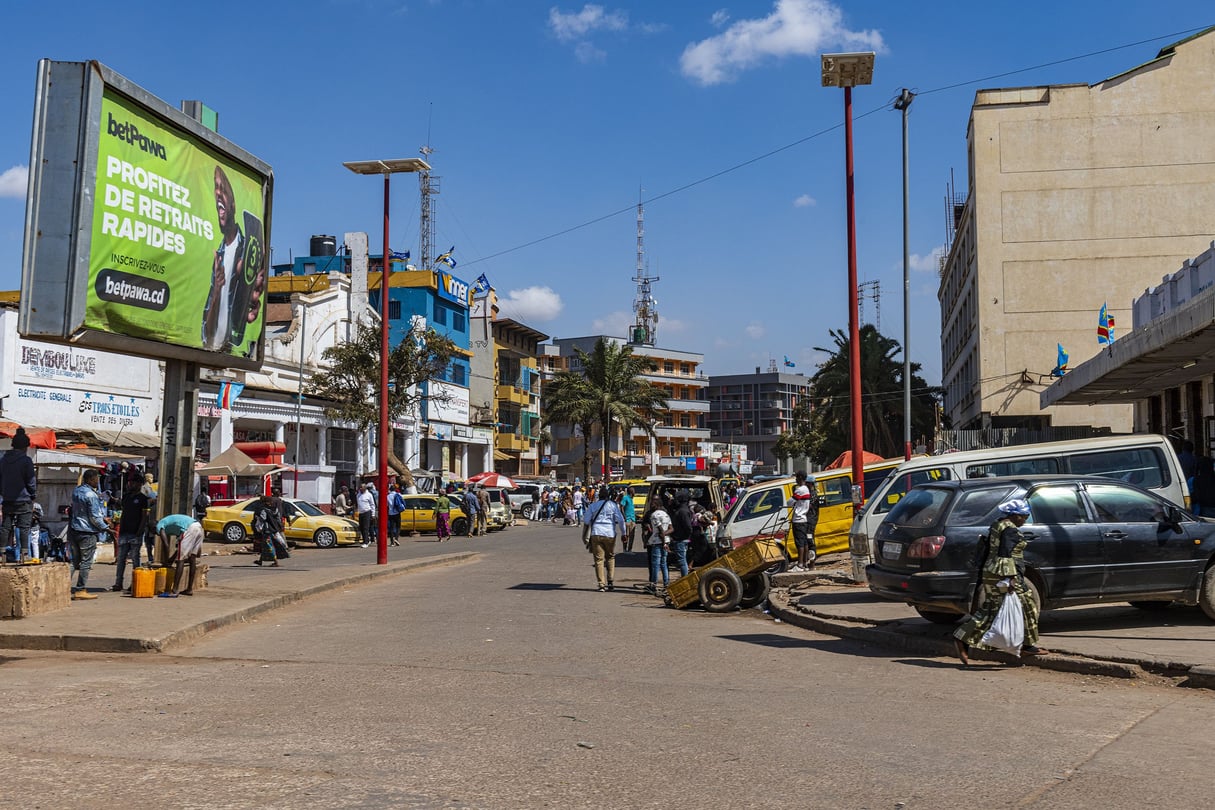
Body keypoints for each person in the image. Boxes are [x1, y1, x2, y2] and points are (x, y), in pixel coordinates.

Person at [953, 498, 1050, 665]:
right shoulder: (1010, 530)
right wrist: (1011, 578)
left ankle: (963, 638)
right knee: (1028, 605)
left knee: (992, 609)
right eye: (1023, 516)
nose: (1025, 520)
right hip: (1004, 574)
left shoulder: (997, 525)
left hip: (991, 572)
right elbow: (1005, 554)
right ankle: (1027, 645)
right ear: (1014, 515)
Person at [68, 468, 109, 600]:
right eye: (96, 479)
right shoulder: (91, 495)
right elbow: (94, 517)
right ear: (91, 480)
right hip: (87, 532)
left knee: (74, 561)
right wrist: (106, 528)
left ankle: (62, 586)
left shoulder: (76, 491)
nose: (97, 482)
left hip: (74, 529)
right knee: (86, 562)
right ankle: (80, 589)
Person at [0, 426, 37, 563]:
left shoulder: (3, 460)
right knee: (24, 528)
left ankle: (2, 554)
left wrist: (3, 493)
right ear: (25, 447)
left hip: (7, 499)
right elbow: (31, 481)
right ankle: (24, 555)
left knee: (5, 527)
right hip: (24, 500)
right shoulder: (26, 461)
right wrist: (33, 495)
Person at [582, 485, 626, 592]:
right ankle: (610, 581)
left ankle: (601, 584)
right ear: (608, 496)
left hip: (596, 533)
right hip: (610, 533)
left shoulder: (593, 506)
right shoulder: (613, 505)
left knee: (599, 560)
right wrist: (624, 533)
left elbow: (586, 521)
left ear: (598, 496)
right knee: (610, 557)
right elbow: (621, 520)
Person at [112, 478, 150, 592]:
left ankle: (135, 583)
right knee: (121, 558)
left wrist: (140, 530)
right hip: (124, 532)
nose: (132, 484)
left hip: (135, 532)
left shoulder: (143, 499)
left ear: (139, 484)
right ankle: (118, 583)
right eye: (131, 482)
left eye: (134, 482)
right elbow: (122, 511)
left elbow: (145, 516)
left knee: (135, 559)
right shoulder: (126, 497)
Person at [156, 513, 206, 595]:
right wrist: (171, 559)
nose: (157, 535)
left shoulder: (159, 525)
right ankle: (189, 589)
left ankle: (174, 590)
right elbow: (180, 549)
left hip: (190, 528)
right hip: (198, 526)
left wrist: (166, 561)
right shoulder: (172, 525)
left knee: (180, 560)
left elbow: (166, 544)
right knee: (192, 558)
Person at [787, 471, 820, 571]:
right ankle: (805, 563)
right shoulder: (808, 492)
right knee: (806, 542)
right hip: (806, 521)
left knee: (809, 543)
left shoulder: (811, 494)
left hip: (809, 523)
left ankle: (809, 564)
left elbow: (790, 502)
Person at [644, 503, 673, 595]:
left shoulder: (654, 515)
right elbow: (671, 529)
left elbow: (660, 531)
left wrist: (663, 542)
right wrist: (665, 539)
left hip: (657, 542)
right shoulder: (666, 515)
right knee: (664, 564)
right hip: (666, 541)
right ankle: (666, 584)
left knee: (655, 565)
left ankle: (653, 585)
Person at [250, 493, 284, 566]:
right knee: (265, 546)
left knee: (269, 546)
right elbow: (278, 518)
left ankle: (275, 562)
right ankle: (260, 561)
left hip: (267, 531)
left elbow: (262, 519)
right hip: (275, 529)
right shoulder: (275, 509)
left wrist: (258, 527)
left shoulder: (264, 510)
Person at [670, 492, 694, 577]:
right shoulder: (682, 510)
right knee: (682, 560)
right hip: (681, 539)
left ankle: (685, 578)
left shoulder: (682, 511)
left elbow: (688, 527)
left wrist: (685, 536)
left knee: (682, 561)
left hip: (681, 539)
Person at [620, 486, 637, 552]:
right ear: (631, 492)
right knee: (626, 535)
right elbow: (621, 507)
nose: (635, 492)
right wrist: (624, 516)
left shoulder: (631, 499)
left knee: (632, 535)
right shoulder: (625, 498)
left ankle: (630, 549)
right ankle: (624, 549)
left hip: (633, 519)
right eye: (634, 491)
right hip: (627, 519)